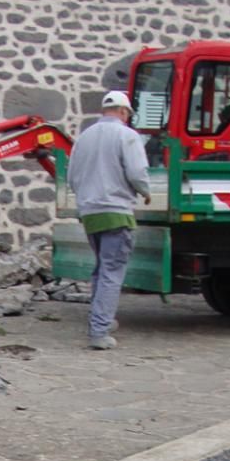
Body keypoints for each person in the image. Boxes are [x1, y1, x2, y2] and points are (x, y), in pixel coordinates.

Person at [66, 90, 152, 349]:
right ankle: (99, 331)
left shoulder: (84, 137)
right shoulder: (127, 136)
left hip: (90, 212)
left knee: (101, 269)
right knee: (112, 272)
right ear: (125, 112)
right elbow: (137, 172)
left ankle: (101, 319)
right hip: (116, 211)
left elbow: (72, 177)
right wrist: (145, 191)